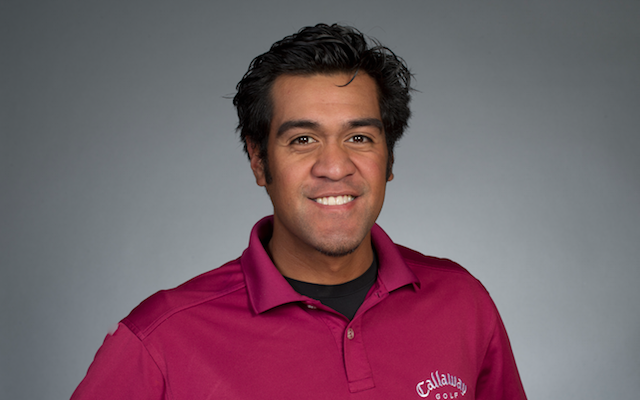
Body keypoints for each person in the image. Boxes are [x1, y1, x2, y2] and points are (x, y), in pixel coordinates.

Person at [71, 23, 527, 399]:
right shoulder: (160, 339)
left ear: (389, 159)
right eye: (303, 140)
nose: (335, 167)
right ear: (258, 161)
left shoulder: (462, 302)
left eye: (359, 138)